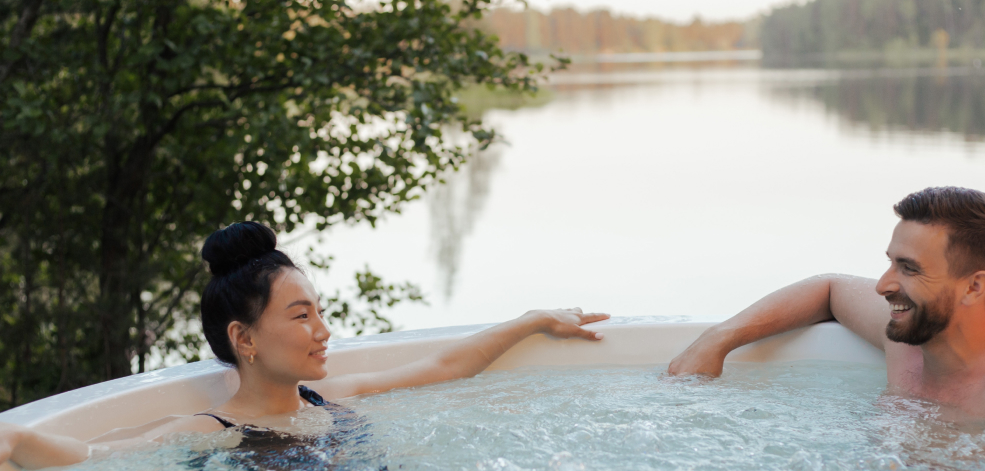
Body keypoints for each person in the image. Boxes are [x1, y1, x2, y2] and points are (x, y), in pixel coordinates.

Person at [0, 221, 610, 469]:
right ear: (244, 339)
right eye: (300, 315)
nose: (322, 330)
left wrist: (531, 321)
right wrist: (18, 441)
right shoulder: (212, 428)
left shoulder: (327, 397)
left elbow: (445, 364)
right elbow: (93, 453)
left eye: (320, 311)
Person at [668, 186, 985, 418]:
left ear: (974, 287)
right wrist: (717, 340)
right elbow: (830, 288)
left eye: (909, 268)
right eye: (890, 262)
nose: (883, 285)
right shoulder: (906, 347)